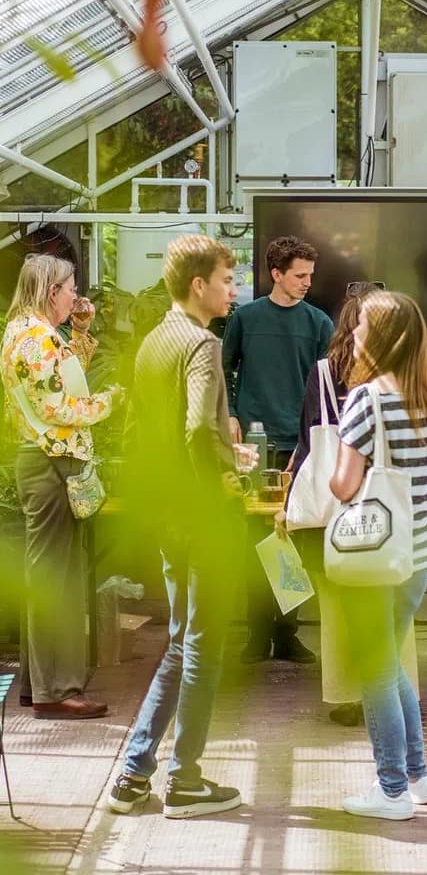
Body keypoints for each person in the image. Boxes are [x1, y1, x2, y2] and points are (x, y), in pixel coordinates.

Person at [107, 235, 245, 819]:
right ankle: (184, 780)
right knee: (204, 648)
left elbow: (146, 435)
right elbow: (195, 430)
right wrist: (221, 478)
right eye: (226, 280)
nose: (232, 290)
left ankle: (135, 774)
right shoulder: (201, 344)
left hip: (167, 514)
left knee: (182, 642)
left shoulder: (152, 343)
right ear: (199, 285)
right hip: (199, 516)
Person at [329, 291, 427, 820]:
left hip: (374, 555)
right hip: (418, 553)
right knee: (392, 662)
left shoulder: (366, 399)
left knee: (377, 670)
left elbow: (343, 486)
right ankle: (416, 776)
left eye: (363, 325)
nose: (356, 332)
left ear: (382, 338)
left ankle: (390, 791)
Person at [274, 280, 416, 727]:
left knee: (337, 606)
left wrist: (288, 501)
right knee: (392, 603)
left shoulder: (322, 373)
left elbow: (308, 443)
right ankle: (395, 694)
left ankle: (347, 695)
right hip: (389, 505)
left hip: (338, 508)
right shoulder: (400, 377)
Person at [0, 254, 120, 719]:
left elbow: (64, 373)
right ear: (52, 291)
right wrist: (109, 402)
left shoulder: (34, 333)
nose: (77, 294)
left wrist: (82, 331)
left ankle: (40, 684)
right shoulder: (34, 338)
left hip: (44, 463)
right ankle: (57, 692)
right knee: (58, 580)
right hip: (50, 464)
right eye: (71, 288)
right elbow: (58, 407)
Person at [223, 235, 333, 665]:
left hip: (301, 449)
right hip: (254, 448)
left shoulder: (319, 323)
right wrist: (231, 413)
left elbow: (329, 390)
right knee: (255, 543)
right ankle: (256, 635)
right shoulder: (245, 318)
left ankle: (287, 635)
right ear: (276, 274)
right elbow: (223, 369)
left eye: (310, 275)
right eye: (300, 275)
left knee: (294, 543)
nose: (307, 282)